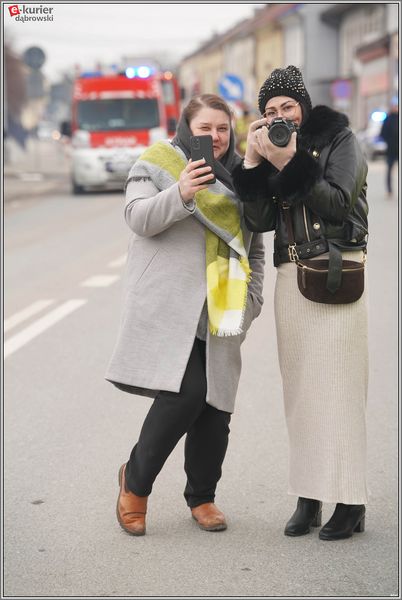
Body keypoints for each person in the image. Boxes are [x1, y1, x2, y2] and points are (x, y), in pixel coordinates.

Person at [105, 93, 265, 536]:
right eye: (204, 128)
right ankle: (135, 484)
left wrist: (253, 299)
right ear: (186, 130)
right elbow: (138, 218)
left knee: (217, 407)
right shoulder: (157, 162)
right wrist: (181, 192)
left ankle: (203, 497)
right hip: (170, 302)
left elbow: (255, 245)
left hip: (225, 299)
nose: (215, 136)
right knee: (186, 394)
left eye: (222, 128)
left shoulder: (242, 178)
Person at [232, 65, 369, 541]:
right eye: (270, 111)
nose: (280, 116)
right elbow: (261, 221)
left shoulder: (340, 140)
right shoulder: (272, 149)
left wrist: (291, 160)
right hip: (292, 278)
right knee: (301, 394)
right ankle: (309, 497)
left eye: (287, 106)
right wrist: (254, 164)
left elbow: (337, 203)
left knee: (340, 392)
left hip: (335, 273)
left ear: (304, 107)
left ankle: (350, 500)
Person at [380, 101, 399, 197]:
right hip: (391, 149)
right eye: (394, 106)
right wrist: (389, 141)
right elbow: (382, 133)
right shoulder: (388, 119)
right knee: (389, 170)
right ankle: (389, 190)